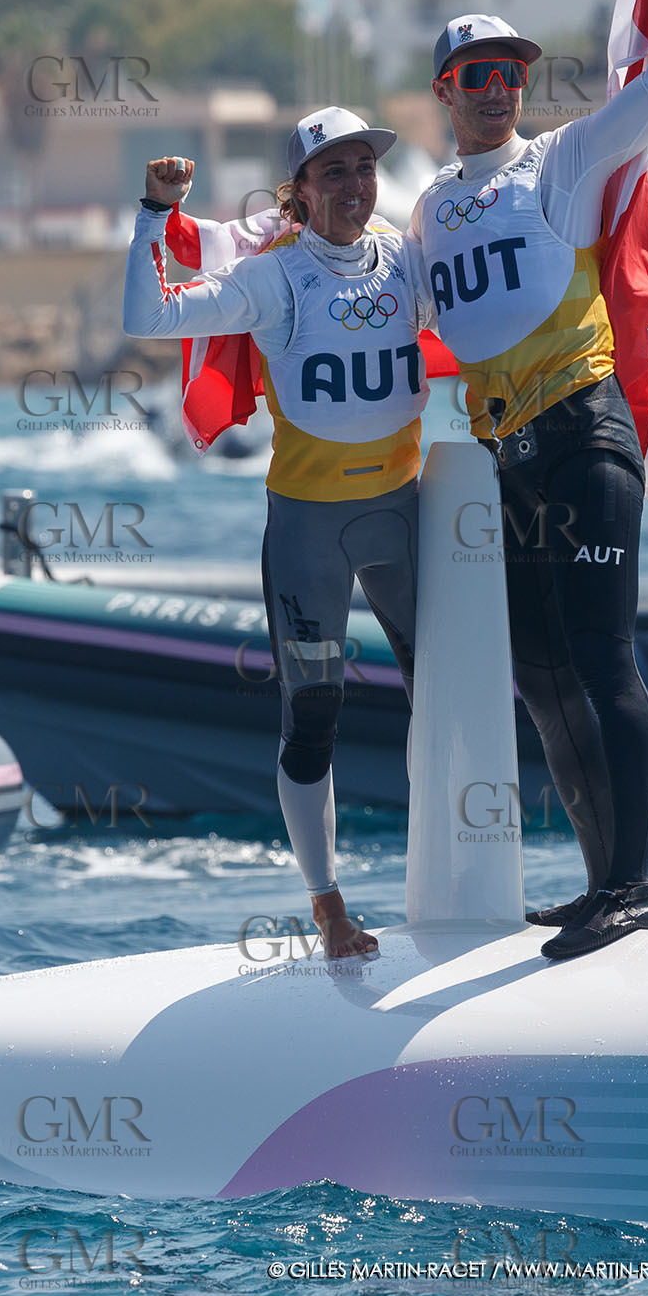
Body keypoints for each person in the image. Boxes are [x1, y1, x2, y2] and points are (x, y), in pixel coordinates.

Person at [405, 0, 648, 960]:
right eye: (476, 77)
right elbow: (386, 311)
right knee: (538, 676)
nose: (498, 90)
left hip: (585, 435)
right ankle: (598, 886)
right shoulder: (429, 206)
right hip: (508, 462)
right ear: (446, 90)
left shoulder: (562, 160)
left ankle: (634, 885)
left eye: (511, 74)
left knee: (602, 658)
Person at [123, 107, 432, 957]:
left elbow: (492, 326)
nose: (354, 185)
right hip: (308, 534)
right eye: (332, 172)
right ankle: (328, 903)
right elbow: (148, 318)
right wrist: (153, 217)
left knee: (443, 705)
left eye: (364, 168)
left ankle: (445, 879)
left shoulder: (409, 257)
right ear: (298, 191)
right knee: (316, 717)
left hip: (403, 516)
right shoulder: (272, 276)